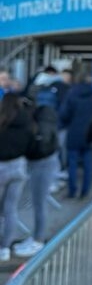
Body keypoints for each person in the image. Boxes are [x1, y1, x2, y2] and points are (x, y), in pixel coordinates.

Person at [19, 98, 61, 257]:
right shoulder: (44, 119)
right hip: (44, 163)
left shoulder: (38, 126)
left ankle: (38, 240)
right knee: (39, 202)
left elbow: (41, 146)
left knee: (39, 203)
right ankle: (37, 238)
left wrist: (27, 148)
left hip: (41, 164)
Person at [0, 94, 34, 262]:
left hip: (1, 167)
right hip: (19, 166)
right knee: (11, 209)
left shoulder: (2, 120)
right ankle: (5, 248)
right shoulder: (26, 120)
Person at [60, 75, 92, 198]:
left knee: (72, 164)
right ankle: (85, 191)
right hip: (90, 135)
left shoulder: (71, 96)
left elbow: (64, 115)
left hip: (73, 132)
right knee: (88, 164)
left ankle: (72, 191)